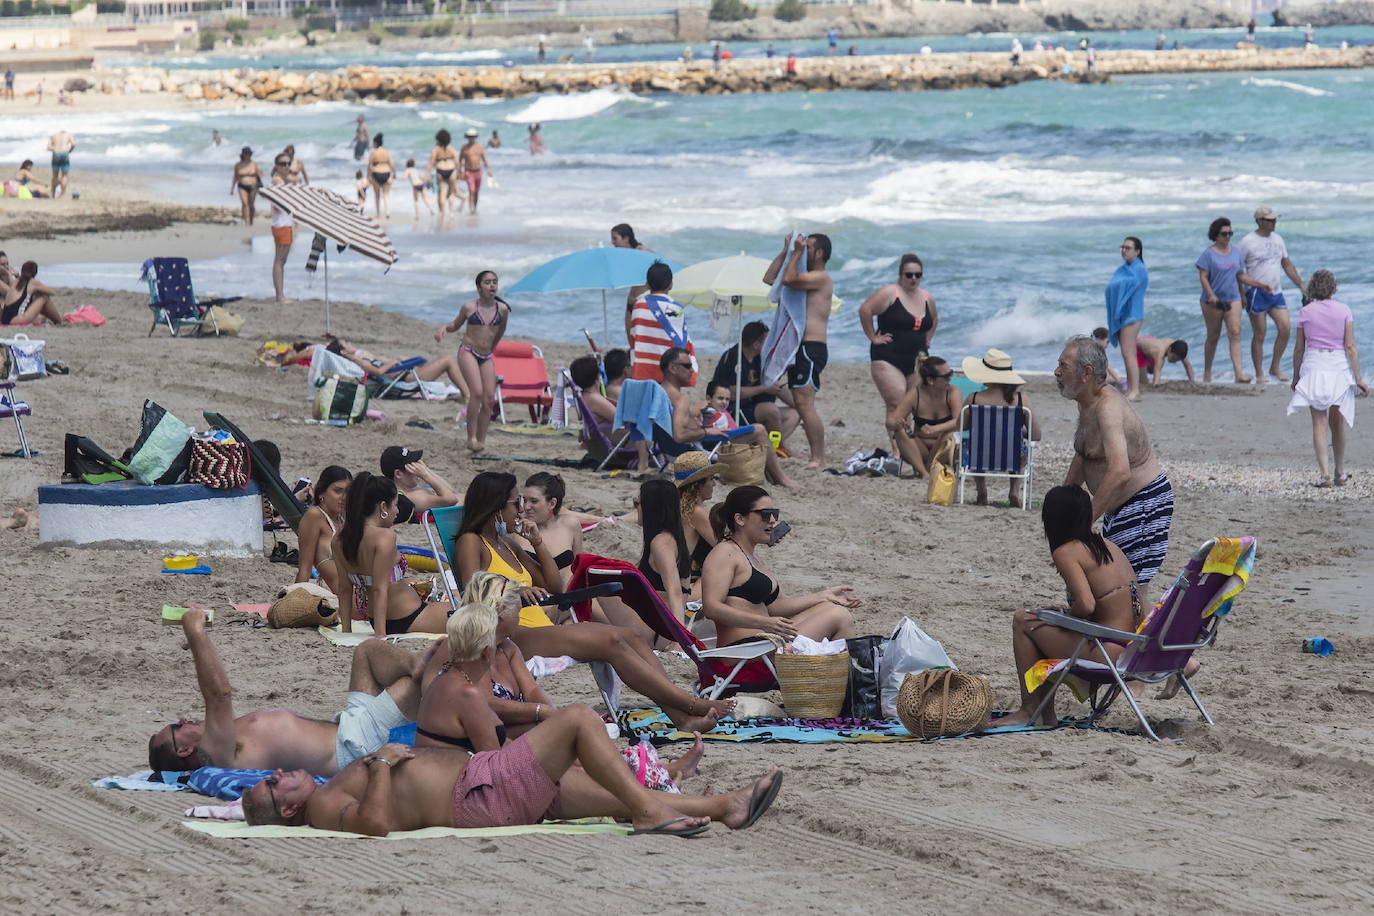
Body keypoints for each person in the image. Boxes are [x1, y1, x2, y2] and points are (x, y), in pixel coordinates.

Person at [456, 471, 735, 731]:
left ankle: (681, 717)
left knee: (630, 636)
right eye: (515, 501)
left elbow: (553, 585)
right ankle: (692, 704)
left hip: (539, 624)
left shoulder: (509, 543)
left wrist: (538, 542)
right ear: (496, 507)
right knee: (611, 643)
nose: (520, 508)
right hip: (510, 634)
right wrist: (513, 590)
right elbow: (474, 594)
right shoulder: (472, 541)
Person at [242, 707, 782, 837]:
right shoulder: (317, 809)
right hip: (480, 792)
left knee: (612, 792)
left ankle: (723, 806)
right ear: (286, 807)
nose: (278, 772)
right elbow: (377, 824)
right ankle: (647, 812)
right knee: (574, 721)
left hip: (484, 784)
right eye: (273, 783)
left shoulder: (321, 791)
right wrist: (381, 765)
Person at [148, 607, 425, 775]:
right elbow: (218, 694)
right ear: (184, 750)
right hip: (355, 746)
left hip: (348, 724)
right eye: (176, 725)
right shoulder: (214, 754)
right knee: (416, 682)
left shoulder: (221, 739)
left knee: (368, 651)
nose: (183, 719)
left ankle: (424, 667)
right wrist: (195, 631)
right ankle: (439, 676)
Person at [996, 485, 1144, 728]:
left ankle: (1029, 711)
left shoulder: (1066, 551)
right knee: (1043, 624)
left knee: (1024, 620)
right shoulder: (1107, 545)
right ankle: (1046, 715)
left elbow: (1085, 605)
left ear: (1053, 520)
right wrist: (1061, 616)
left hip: (1108, 652)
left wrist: (1064, 614)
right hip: (1131, 648)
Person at [1057, 336, 1173, 593]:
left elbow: (1120, 472)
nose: (1056, 372)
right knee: (1115, 582)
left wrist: (1081, 525)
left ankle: (1137, 634)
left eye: (1063, 366)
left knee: (1128, 586)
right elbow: (1085, 455)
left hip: (1142, 501)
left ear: (1086, 373)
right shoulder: (1087, 403)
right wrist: (1062, 510)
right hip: (1118, 506)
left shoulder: (1107, 408)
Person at [700, 485, 858, 645]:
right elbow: (711, 608)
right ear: (740, 519)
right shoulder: (724, 553)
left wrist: (823, 595)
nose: (773, 520)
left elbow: (775, 607)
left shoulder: (754, 558)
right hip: (744, 651)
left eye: (774, 513)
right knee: (838, 615)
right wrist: (763, 622)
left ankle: (839, 669)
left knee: (828, 606)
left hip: (766, 642)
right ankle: (849, 668)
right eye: (765, 514)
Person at [334, 472, 453, 638]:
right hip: (408, 616)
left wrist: (346, 632)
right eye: (395, 505)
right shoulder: (385, 537)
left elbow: (345, 589)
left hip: (381, 619)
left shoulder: (340, 539)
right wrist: (381, 636)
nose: (397, 511)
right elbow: (379, 588)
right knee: (473, 614)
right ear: (383, 507)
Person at [661, 347, 795, 488]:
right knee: (759, 430)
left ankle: (772, 477)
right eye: (688, 366)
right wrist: (706, 431)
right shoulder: (680, 399)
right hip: (698, 447)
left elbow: (679, 426)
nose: (692, 370)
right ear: (673, 368)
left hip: (670, 450)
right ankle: (781, 478)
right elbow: (680, 436)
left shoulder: (659, 393)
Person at [1288, 270, 1367, 487]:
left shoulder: (1305, 312)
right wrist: (1358, 377)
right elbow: (1350, 347)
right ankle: (1340, 472)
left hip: (1314, 365)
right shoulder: (1344, 310)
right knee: (1337, 423)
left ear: (1313, 288)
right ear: (1333, 288)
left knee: (1319, 422)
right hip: (1338, 367)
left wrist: (1296, 377)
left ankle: (1324, 474)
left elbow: (1298, 349)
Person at [764, 233, 835, 468]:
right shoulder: (802, 275)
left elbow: (788, 279)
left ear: (820, 253)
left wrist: (795, 253)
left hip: (811, 347)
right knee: (800, 401)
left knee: (805, 404)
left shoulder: (821, 278)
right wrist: (786, 251)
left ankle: (819, 458)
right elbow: (770, 278)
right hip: (799, 347)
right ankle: (817, 456)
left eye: (808, 248)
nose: (803, 251)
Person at [859, 253, 937, 459]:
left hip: (917, 360)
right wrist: (872, 337)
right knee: (896, 404)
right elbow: (865, 310)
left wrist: (927, 340)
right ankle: (897, 451)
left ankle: (909, 449)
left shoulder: (927, 297)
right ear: (900, 275)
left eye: (917, 275)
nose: (913, 279)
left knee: (913, 406)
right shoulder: (889, 293)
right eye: (908, 275)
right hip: (887, 357)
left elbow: (934, 320)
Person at [434, 269, 510, 452]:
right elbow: (455, 325)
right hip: (468, 352)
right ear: (478, 287)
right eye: (487, 282)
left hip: (486, 356)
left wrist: (491, 348)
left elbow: (500, 332)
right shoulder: (469, 308)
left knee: (490, 398)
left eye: (494, 282)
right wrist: (444, 328)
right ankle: (471, 438)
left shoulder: (502, 309)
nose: (492, 285)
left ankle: (480, 441)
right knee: (476, 392)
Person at [960, 349, 1041, 507]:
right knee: (1018, 447)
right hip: (1012, 456)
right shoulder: (1021, 400)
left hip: (979, 454)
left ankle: (981, 489)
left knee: (973, 444)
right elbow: (1036, 435)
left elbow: (960, 426)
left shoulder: (974, 398)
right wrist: (1018, 430)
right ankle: (1014, 490)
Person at [1197, 217, 1267, 384]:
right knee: (1213, 336)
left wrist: (1257, 286)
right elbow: (1203, 277)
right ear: (1215, 235)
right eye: (1224, 234)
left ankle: (1239, 374)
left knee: (1235, 333)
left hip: (1233, 298)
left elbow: (1240, 275)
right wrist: (1211, 295)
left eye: (1230, 233)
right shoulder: (1208, 254)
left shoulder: (1235, 252)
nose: (1227, 236)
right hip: (1212, 301)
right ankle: (1207, 373)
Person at [1239, 206, 1304, 384]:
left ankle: (1274, 366)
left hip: (1276, 292)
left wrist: (1300, 284)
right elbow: (1238, 270)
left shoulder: (1278, 239)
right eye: (1270, 220)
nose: (1274, 222)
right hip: (1255, 293)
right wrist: (1242, 294)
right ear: (1260, 221)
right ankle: (1260, 373)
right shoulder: (1247, 241)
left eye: (1275, 219)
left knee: (1285, 328)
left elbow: (1287, 264)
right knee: (1260, 334)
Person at [710, 320, 799, 444]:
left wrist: (799, 405)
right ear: (756, 344)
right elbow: (731, 393)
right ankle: (776, 447)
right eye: (768, 341)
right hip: (732, 411)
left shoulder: (760, 359)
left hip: (752, 407)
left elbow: (773, 384)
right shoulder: (733, 357)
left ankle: (771, 446)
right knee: (771, 410)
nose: (772, 344)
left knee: (794, 414)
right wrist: (764, 388)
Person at [322, 338, 471, 403]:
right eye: (346, 343)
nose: (349, 342)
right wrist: (393, 362)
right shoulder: (359, 362)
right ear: (342, 352)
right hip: (406, 379)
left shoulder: (359, 357)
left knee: (444, 361)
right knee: (448, 361)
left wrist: (398, 361)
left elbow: (380, 363)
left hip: (405, 373)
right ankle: (468, 395)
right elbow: (379, 372)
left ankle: (467, 392)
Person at [885, 356, 962, 479]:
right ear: (931, 380)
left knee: (949, 436)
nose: (950, 379)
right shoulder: (915, 394)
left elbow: (959, 421)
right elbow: (891, 422)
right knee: (900, 430)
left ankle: (927, 469)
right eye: (946, 376)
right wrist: (896, 423)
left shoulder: (952, 392)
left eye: (950, 374)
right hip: (919, 450)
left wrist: (935, 429)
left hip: (943, 448)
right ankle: (925, 473)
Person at [512, 472, 582, 591]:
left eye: (534, 501)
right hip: (534, 599)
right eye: (524, 500)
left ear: (552, 503)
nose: (526, 507)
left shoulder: (571, 524)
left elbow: (580, 569)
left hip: (567, 597)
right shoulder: (516, 529)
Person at [628, 261, 695, 383]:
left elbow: (633, 336)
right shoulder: (677, 309)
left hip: (643, 370)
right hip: (669, 373)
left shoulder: (638, 306)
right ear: (671, 285)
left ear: (647, 285)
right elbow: (682, 341)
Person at [295, 465, 351, 596]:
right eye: (338, 491)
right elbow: (305, 569)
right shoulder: (314, 516)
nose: (344, 497)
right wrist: (292, 601)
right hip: (352, 601)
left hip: (363, 592)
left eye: (348, 492)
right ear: (321, 492)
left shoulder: (342, 519)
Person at [1105, 235, 1148, 400]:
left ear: (1137, 251)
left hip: (1133, 315)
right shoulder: (1123, 269)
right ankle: (1131, 388)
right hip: (1124, 316)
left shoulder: (1140, 269)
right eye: (1122, 247)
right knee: (1126, 353)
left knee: (1129, 352)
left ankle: (1135, 390)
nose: (1124, 250)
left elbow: (1133, 287)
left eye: (1128, 248)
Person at [672, 451, 722, 580]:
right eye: (711, 479)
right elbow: (724, 546)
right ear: (697, 485)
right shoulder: (696, 512)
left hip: (679, 575)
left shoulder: (681, 507)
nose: (714, 484)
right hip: (688, 580)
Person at [379, 446, 459, 525]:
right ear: (398, 474)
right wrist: (425, 475)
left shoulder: (411, 490)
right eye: (412, 466)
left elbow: (451, 491)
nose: (418, 469)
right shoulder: (411, 497)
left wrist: (426, 470)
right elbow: (452, 499)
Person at [613, 223, 652, 340]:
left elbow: (661, 269)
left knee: (642, 340)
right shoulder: (626, 256)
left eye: (615, 238)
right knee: (632, 341)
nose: (612, 242)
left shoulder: (642, 251)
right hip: (632, 302)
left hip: (644, 302)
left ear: (626, 238)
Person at [1, 260, 62, 326]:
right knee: (44, 298)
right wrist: (38, 290)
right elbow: (52, 292)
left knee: (31, 297)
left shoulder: (16, 281)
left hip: (5, 319)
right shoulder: (32, 282)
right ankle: (59, 321)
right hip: (17, 319)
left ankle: (55, 319)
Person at [268, 154, 294, 303]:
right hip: (281, 224)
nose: (286, 166)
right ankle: (279, 295)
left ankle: (280, 294)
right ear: (277, 165)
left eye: (288, 163)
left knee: (281, 261)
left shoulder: (282, 181)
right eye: (283, 164)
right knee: (279, 260)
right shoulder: (277, 181)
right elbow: (276, 204)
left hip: (285, 223)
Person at [569, 355, 617, 427]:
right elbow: (619, 419)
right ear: (598, 376)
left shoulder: (584, 395)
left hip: (596, 435)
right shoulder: (594, 398)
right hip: (613, 435)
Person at [427, 129, 461, 218]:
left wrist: (428, 174)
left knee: (442, 192)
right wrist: (460, 172)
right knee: (451, 193)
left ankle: (442, 213)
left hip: (440, 170)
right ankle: (451, 213)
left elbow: (431, 162)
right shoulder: (451, 148)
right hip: (451, 170)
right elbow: (457, 162)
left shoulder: (436, 149)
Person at [459, 128, 492, 214]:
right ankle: (471, 209)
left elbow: (484, 159)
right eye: (470, 137)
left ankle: (475, 208)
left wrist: (488, 169)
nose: (471, 138)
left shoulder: (479, 147)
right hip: (468, 171)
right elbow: (460, 160)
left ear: (475, 137)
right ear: (467, 137)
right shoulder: (464, 148)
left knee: (476, 192)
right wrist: (460, 172)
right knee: (471, 190)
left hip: (478, 171)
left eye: (473, 137)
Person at [229, 147, 260, 226]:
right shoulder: (238, 165)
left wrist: (260, 187)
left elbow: (259, 175)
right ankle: (247, 222)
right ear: (243, 154)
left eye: (249, 154)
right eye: (246, 154)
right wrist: (232, 188)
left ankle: (251, 220)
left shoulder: (254, 163)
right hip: (242, 185)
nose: (248, 155)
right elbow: (235, 177)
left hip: (253, 186)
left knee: (251, 204)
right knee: (245, 203)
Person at [367, 133, 394, 220]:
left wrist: (368, 176)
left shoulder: (373, 153)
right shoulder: (386, 152)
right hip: (386, 173)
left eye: (373, 143)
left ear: (376, 143)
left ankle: (378, 213)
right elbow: (391, 164)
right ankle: (387, 212)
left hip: (376, 173)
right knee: (386, 194)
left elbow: (370, 165)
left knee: (377, 195)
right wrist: (394, 173)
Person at [47, 129, 74, 198]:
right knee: (64, 175)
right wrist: (70, 150)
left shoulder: (53, 135)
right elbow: (73, 144)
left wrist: (55, 148)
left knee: (55, 175)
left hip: (56, 154)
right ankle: (62, 194)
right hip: (64, 153)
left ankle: (53, 193)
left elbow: (49, 147)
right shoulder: (68, 135)